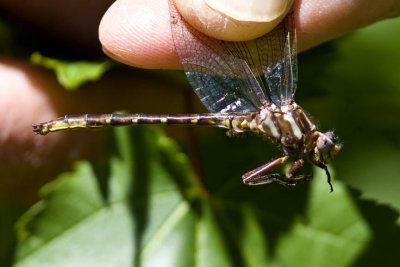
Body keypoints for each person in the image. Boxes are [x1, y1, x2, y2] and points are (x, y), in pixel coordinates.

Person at [0, 0, 399, 201]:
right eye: (322, 145)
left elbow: (261, 173)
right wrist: (287, 172)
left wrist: (284, 172)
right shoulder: (286, 111)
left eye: (321, 148)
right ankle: (64, 117)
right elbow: (258, 174)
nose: (320, 147)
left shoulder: (287, 121)